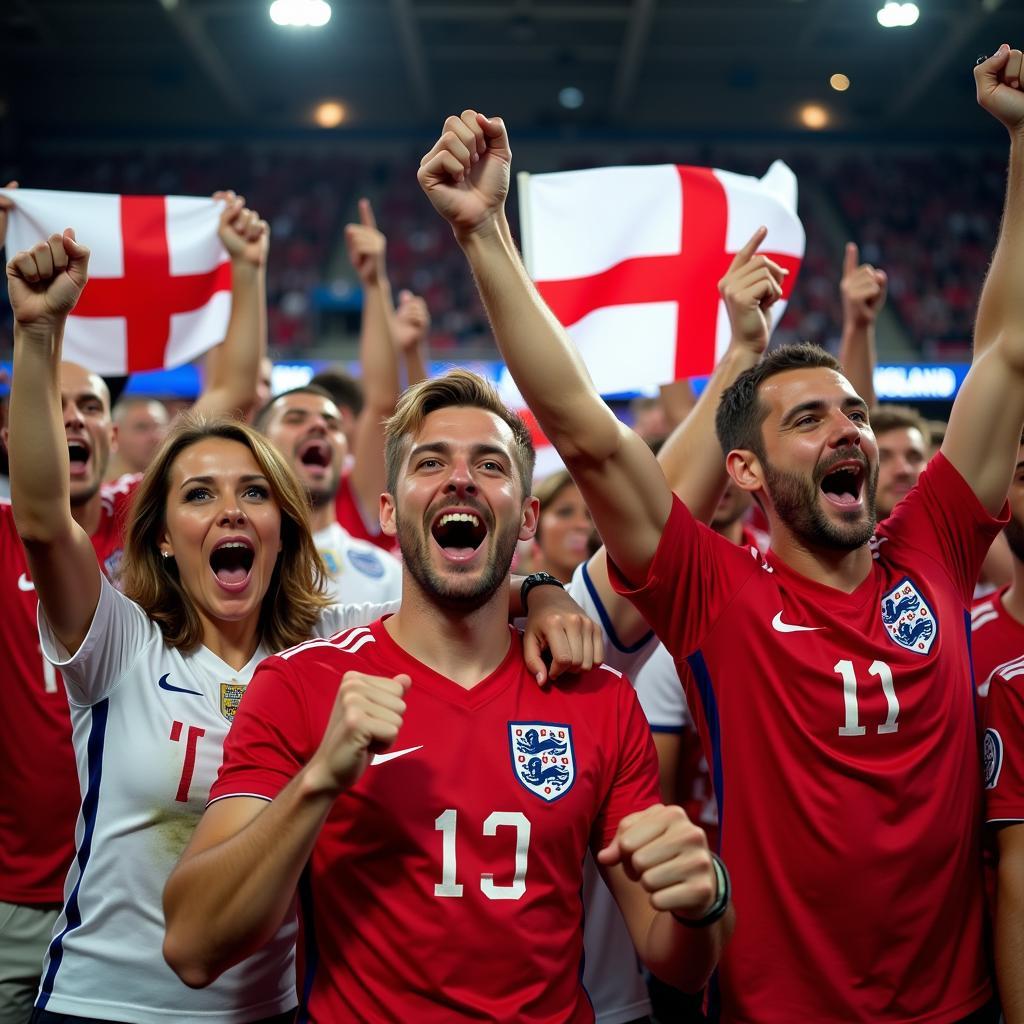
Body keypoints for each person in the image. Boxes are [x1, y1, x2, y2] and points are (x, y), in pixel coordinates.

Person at [415, 50, 1024, 1019]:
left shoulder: (934, 546)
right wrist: (484, 232)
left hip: (958, 1007)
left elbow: (1007, 351)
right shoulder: (713, 591)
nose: (849, 432)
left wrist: (1023, 145)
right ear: (742, 468)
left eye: (856, 414)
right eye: (809, 419)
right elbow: (584, 432)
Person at [6, 229, 599, 1024]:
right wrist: (39, 336)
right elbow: (45, 521)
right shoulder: (119, 643)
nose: (229, 511)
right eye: (199, 495)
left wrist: (542, 588)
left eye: (254, 494)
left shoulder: (326, 641)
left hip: (273, 1010)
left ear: (286, 527)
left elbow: (457, 592)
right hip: (104, 1004)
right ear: (158, 534)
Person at [163, 369, 734, 1022]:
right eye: (430, 462)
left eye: (490, 465)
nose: (460, 479)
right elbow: (193, 946)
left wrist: (704, 898)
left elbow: (674, 957)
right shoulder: (300, 684)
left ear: (525, 517)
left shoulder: (598, 697)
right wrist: (319, 781)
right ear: (387, 510)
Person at [0, 192, 271, 1024]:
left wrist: (247, 272)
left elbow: (224, 417)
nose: (72, 417)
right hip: (25, 887)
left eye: (92, 407)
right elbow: (44, 519)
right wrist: (37, 336)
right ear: (13, 432)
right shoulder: (28, 540)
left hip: (228, 950)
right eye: (55, 406)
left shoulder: (152, 520)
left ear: (117, 438)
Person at [254, 384, 402, 604]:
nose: (320, 425)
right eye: (295, 419)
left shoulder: (388, 576)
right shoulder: (242, 566)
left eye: (332, 424)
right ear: (260, 445)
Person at [104, 396, 171, 482]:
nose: (155, 437)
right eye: (141, 427)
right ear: (115, 435)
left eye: (159, 427)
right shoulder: (100, 491)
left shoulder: (174, 485)